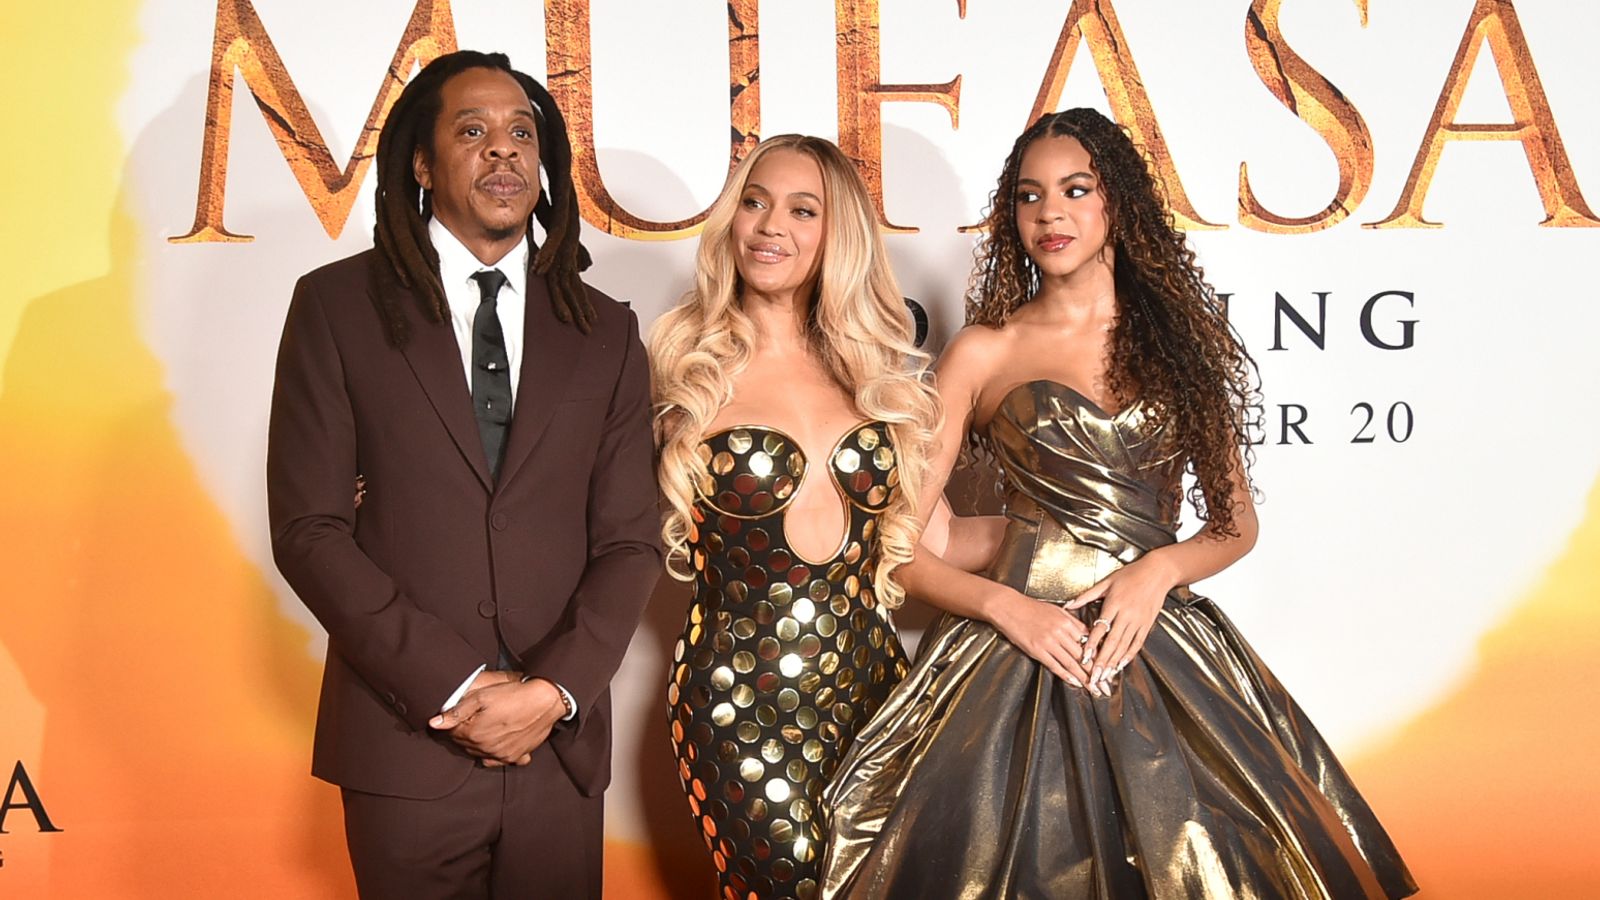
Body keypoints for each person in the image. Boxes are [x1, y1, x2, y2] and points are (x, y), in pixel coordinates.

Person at [820, 109, 1417, 899]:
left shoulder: (1178, 337)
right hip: (1015, 654)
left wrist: (1158, 571)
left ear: (1118, 205)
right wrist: (1010, 609)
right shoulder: (983, 350)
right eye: (1030, 197)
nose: (1050, 213)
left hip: (1158, 642)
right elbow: (896, 552)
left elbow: (1236, 525)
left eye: (1075, 189)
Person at [267, 50, 660, 899]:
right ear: (420, 161)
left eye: (523, 134)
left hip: (557, 748)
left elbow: (631, 541)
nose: (504, 152)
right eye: (473, 131)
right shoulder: (335, 308)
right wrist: (457, 685)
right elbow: (309, 531)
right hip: (405, 743)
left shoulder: (608, 332)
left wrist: (553, 690)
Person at [649, 134, 966, 900]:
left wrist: (1092, 539)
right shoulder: (680, 368)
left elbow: (945, 539)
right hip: (739, 707)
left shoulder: (874, 376)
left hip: (880, 696)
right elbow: (583, 519)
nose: (769, 226)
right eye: (753, 204)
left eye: (802, 209)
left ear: (838, 235)